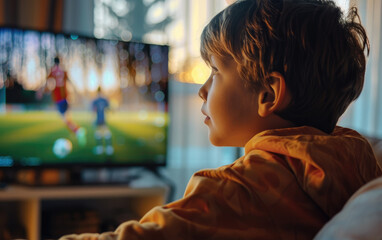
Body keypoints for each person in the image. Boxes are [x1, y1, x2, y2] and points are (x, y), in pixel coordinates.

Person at [60, 0, 382, 239]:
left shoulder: (232, 191)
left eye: (215, 72)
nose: (202, 90)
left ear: (268, 95)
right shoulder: (359, 158)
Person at [43, 56, 87, 146]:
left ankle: (78, 131)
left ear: (54, 62)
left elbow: (47, 82)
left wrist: (42, 91)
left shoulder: (52, 71)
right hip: (66, 97)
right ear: (60, 61)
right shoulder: (63, 71)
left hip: (59, 99)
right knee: (66, 118)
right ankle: (76, 131)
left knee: (65, 119)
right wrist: (76, 91)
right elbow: (70, 81)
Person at [92, 86, 113, 155]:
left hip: (100, 119)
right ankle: (106, 148)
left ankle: (105, 148)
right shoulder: (104, 100)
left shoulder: (97, 100)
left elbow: (94, 111)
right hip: (102, 118)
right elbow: (108, 109)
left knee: (102, 133)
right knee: (103, 133)